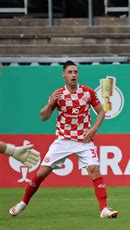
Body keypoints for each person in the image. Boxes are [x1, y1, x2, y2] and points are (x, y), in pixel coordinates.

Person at [8, 60, 118, 219]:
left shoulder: (87, 92)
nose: (73, 75)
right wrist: (50, 103)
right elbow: (43, 117)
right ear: (63, 74)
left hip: (83, 140)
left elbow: (101, 112)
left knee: (94, 169)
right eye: (70, 72)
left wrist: (93, 129)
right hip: (63, 141)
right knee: (41, 173)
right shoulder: (57, 95)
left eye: (75, 72)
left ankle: (104, 209)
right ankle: (22, 203)